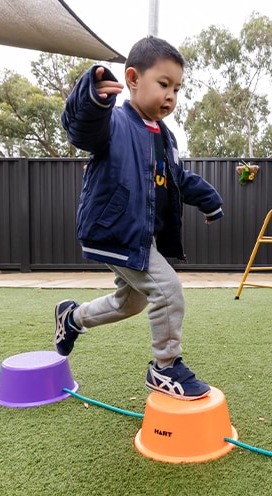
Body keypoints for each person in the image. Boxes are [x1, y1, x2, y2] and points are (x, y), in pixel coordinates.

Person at [55, 36, 224, 400]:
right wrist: (93, 98)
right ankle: (165, 368)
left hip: (140, 235)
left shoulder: (165, 137)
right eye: (163, 84)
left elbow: (179, 180)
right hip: (115, 230)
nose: (171, 96)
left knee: (131, 301)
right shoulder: (112, 121)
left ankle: (72, 319)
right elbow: (80, 130)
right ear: (132, 79)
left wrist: (210, 201)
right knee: (167, 291)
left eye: (177, 89)